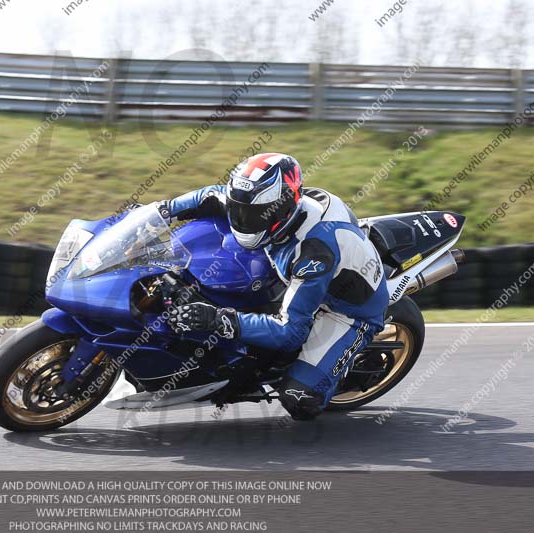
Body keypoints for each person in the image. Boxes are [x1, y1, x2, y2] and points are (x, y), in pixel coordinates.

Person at [162, 153, 389, 420]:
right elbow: (211, 195)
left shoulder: (313, 253)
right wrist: (161, 211)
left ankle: (334, 372)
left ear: (282, 211)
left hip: (345, 311)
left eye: (252, 215)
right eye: (238, 209)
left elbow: (289, 331)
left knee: (299, 399)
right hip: (303, 269)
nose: (241, 219)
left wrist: (216, 319)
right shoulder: (258, 203)